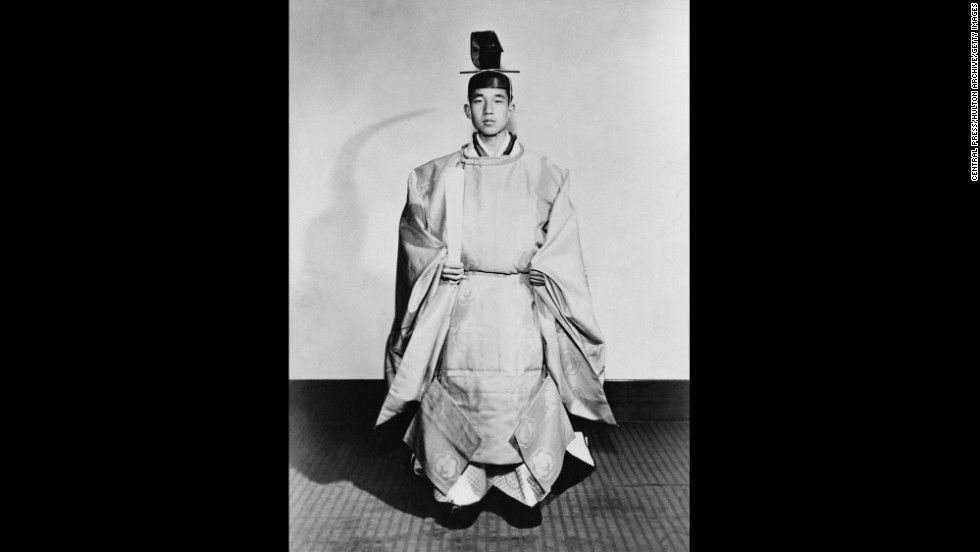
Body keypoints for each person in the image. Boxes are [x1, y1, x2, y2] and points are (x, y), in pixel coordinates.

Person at [375, 31, 616, 526]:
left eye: (498, 100)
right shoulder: (437, 176)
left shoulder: (545, 175)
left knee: (521, 396)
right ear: (467, 110)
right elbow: (415, 237)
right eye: (478, 101)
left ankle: (519, 490)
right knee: (460, 395)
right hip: (460, 303)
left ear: (512, 106)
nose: (488, 110)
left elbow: (562, 246)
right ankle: (462, 490)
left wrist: (540, 271)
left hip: (517, 303)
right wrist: (438, 262)